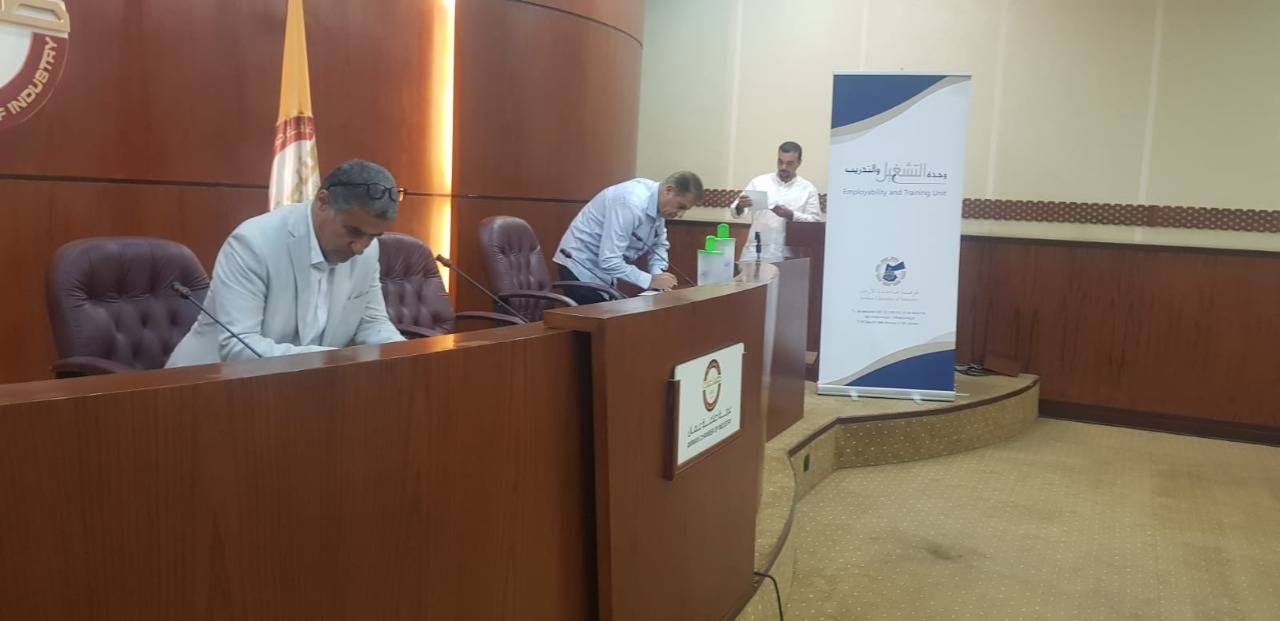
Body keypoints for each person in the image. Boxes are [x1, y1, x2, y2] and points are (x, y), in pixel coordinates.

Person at [166, 159, 406, 367]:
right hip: (204, 386)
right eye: (353, 231)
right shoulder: (253, 243)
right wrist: (335, 360)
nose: (360, 247)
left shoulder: (368, 251)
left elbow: (372, 323)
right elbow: (238, 348)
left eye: (373, 236)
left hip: (295, 388)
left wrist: (407, 359)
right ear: (323, 201)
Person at [552, 171, 703, 304]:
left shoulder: (659, 205)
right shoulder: (631, 203)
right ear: (668, 191)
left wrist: (658, 275)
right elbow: (609, 260)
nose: (681, 215)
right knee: (601, 323)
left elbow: (659, 244)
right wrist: (650, 280)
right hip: (580, 264)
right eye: (681, 206)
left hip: (603, 270)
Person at [731, 141, 823, 261]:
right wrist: (740, 206)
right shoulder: (759, 182)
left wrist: (791, 215)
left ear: (799, 163)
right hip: (755, 251)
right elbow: (735, 213)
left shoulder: (808, 189)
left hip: (788, 255)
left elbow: (815, 221)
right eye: (780, 161)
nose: (783, 167)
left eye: (789, 163)